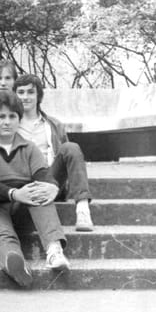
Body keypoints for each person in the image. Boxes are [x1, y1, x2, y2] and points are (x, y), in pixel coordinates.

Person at [0, 91, 70, 288]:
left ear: (19, 120)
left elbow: (43, 175)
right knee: (3, 235)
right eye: (1, 116)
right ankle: (16, 264)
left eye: (12, 116)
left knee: (40, 194)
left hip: (23, 206)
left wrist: (52, 187)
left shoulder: (29, 147)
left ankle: (54, 250)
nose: (7, 122)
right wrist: (15, 194)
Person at [14, 74, 94, 231]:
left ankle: (83, 210)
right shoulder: (10, 124)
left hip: (51, 180)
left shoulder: (54, 124)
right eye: (21, 92)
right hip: (21, 183)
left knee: (71, 147)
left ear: (39, 96)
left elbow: (68, 159)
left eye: (30, 92)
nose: (25, 97)